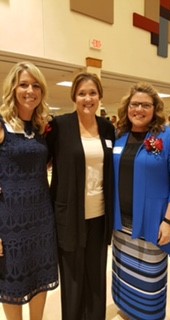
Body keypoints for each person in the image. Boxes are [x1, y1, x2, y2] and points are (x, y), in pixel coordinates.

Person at [46, 72, 115, 320]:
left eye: (93, 93)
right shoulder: (60, 126)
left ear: (100, 97)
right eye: (82, 93)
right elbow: (38, 160)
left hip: (100, 214)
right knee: (73, 279)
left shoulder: (107, 128)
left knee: (96, 276)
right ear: (74, 97)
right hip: (70, 215)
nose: (88, 98)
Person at [112, 82, 170, 320]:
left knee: (149, 280)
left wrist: (169, 222)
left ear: (155, 108)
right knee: (125, 275)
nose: (139, 109)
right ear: (127, 107)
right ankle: (128, 312)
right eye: (134, 104)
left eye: (145, 105)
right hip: (122, 224)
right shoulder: (120, 137)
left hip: (153, 223)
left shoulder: (168, 137)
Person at [0, 61, 59, 320]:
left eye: (36, 85)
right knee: (11, 285)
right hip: (9, 221)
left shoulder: (40, 128)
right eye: (23, 84)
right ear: (13, 88)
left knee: (40, 278)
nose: (30, 91)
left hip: (41, 218)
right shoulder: (2, 124)